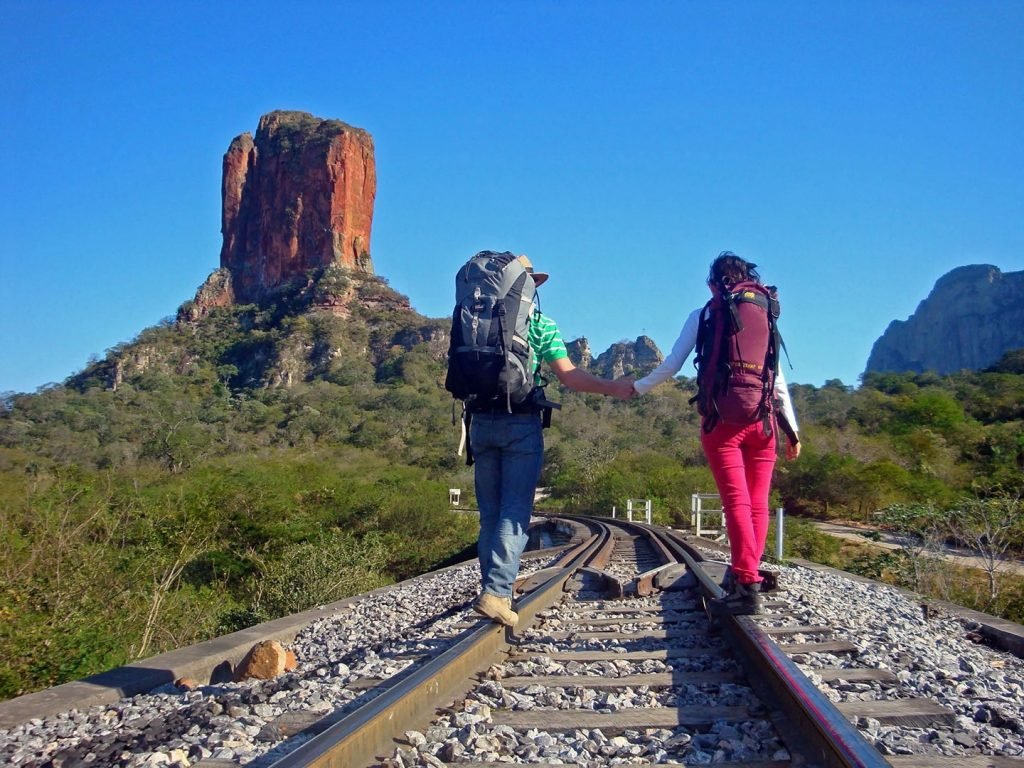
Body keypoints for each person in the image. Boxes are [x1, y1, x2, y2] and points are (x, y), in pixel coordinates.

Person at [631, 251, 801, 615]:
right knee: (758, 503)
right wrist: (793, 431)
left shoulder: (706, 314)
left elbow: (672, 365)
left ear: (712, 283)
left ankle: (745, 585)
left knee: (737, 503)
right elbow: (777, 378)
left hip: (723, 422)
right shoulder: (767, 311)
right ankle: (749, 574)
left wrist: (636, 388)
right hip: (765, 421)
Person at [470, 255, 635, 627]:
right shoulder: (540, 324)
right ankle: (497, 593)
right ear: (528, 287)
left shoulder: (472, 319)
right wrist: (613, 388)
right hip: (521, 424)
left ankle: (492, 588)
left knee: (490, 514)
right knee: (514, 512)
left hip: (479, 422)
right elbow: (571, 377)